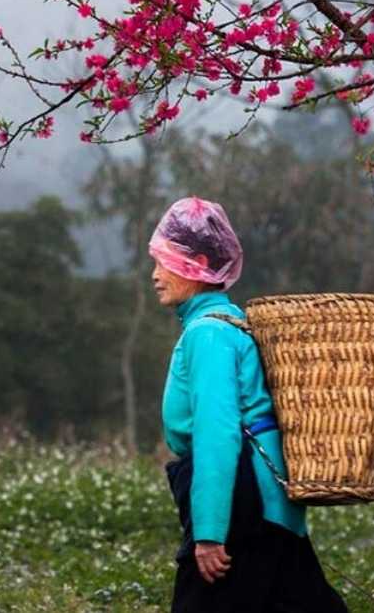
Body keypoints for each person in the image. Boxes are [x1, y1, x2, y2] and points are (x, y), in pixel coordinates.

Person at [150, 196, 347, 613]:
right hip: (270, 501)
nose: (154, 275)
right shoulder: (232, 325)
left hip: (242, 498)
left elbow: (217, 433)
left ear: (198, 263)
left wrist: (209, 532)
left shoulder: (208, 334)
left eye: (163, 262)